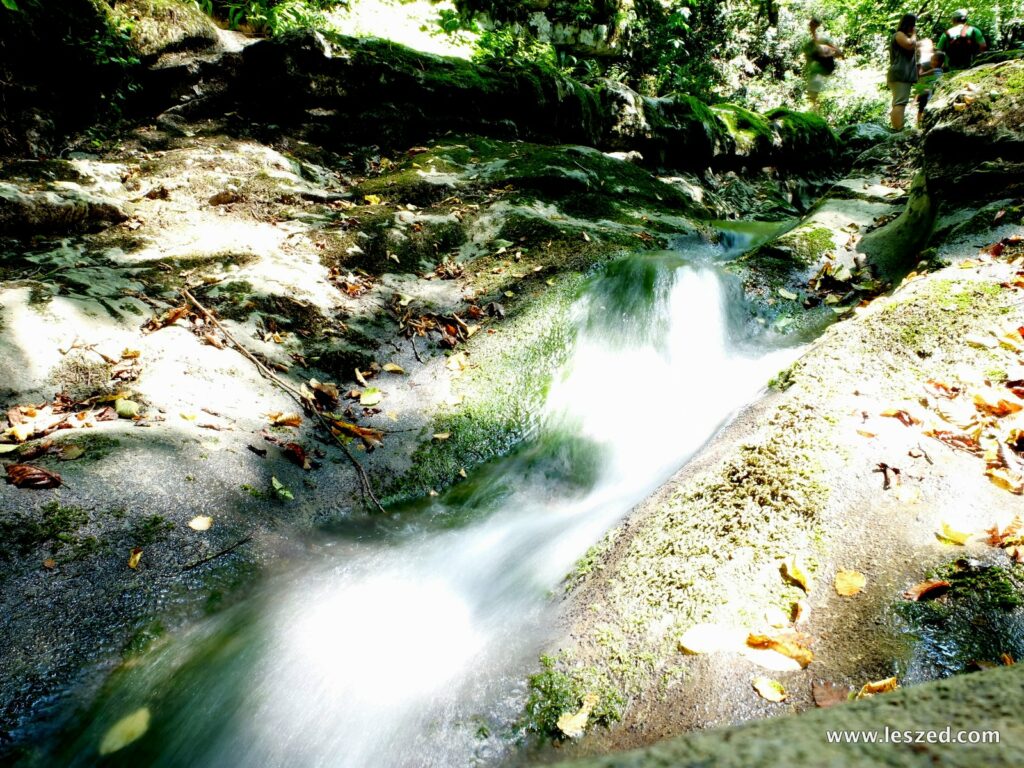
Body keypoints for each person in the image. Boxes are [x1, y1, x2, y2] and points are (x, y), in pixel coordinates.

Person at [888, 14, 918, 131]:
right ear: (909, 25)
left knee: (899, 102)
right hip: (900, 74)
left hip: (902, 74)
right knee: (900, 103)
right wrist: (914, 34)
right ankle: (898, 130)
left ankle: (897, 128)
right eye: (913, 25)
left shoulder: (904, 36)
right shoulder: (899, 35)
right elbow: (910, 45)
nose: (914, 27)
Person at [803, 17, 839, 110]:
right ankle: (814, 103)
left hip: (826, 66)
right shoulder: (811, 47)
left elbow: (836, 51)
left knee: (815, 76)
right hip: (822, 65)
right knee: (814, 77)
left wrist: (834, 52)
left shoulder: (822, 43)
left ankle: (814, 103)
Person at [915, 50, 945, 119]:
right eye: (931, 60)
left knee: (921, 108)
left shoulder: (934, 70)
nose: (931, 62)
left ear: (939, 62)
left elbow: (921, 75)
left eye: (933, 60)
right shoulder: (941, 71)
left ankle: (919, 122)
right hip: (934, 91)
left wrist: (919, 67)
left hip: (929, 91)